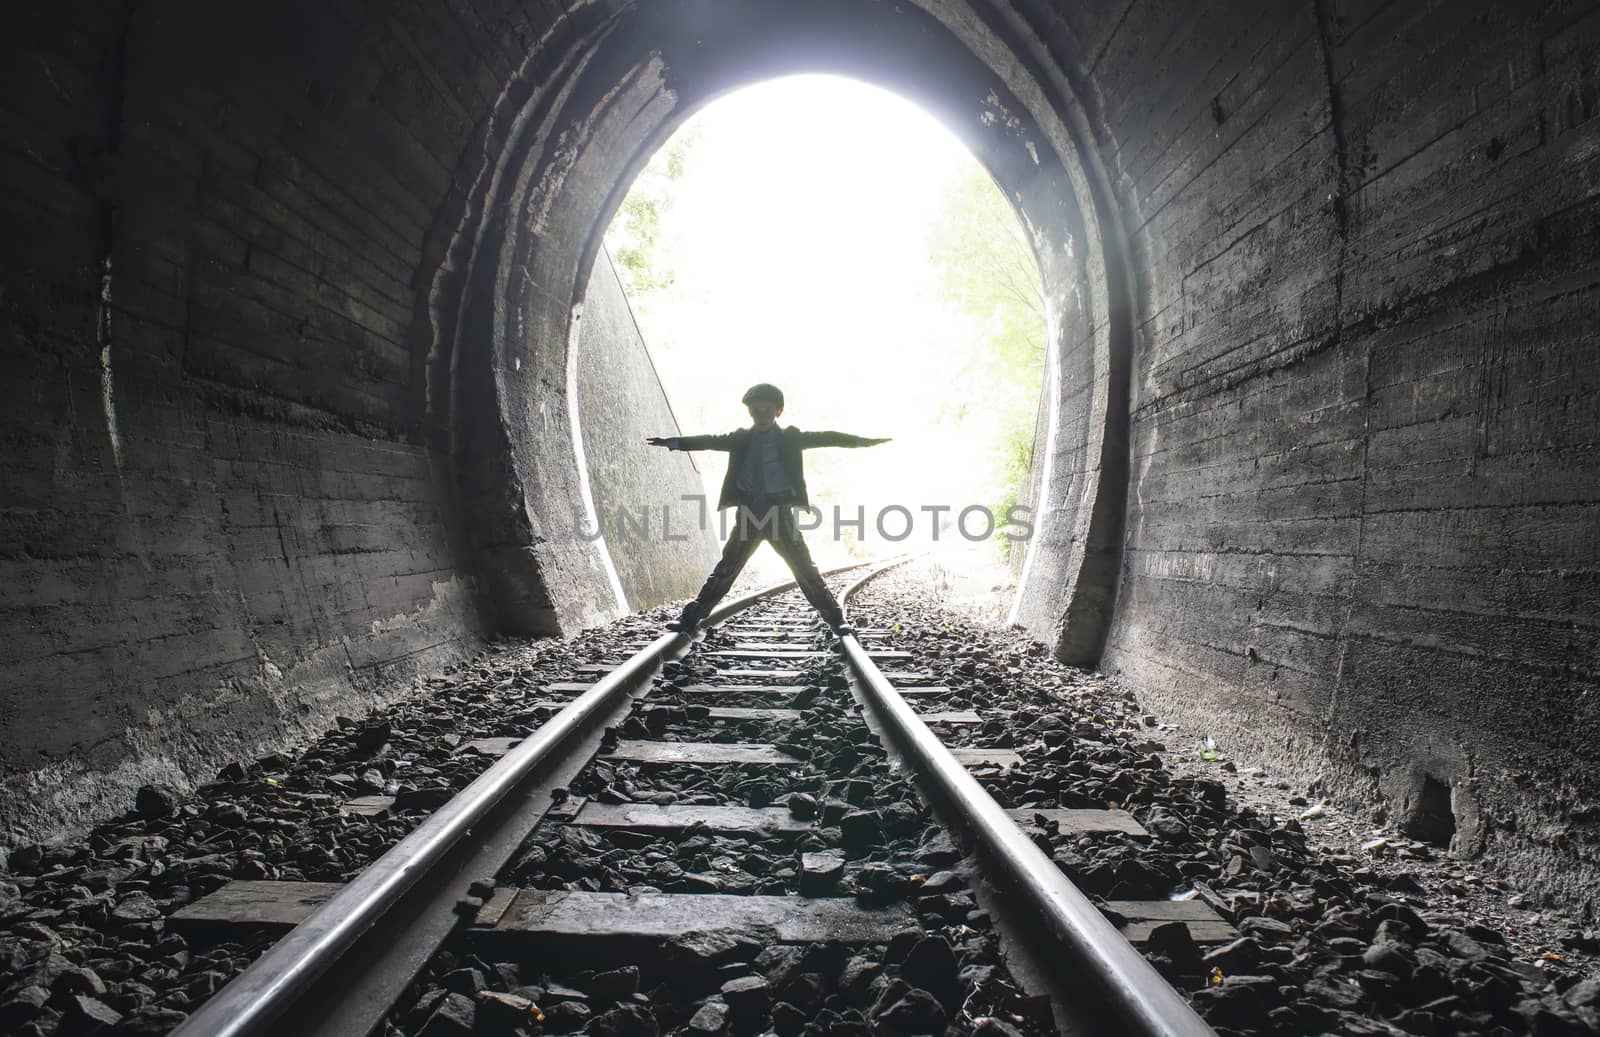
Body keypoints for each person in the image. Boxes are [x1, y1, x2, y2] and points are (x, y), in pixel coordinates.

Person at [646, 383, 890, 636]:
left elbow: (827, 437)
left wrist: (864, 442)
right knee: (727, 569)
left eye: (767, 410)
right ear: (750, 413)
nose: (762, 414)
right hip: (749, 514)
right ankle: (691, 618)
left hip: (778, 513)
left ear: (778, 411)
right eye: (756, 410)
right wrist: (672, 443)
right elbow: (709, 441)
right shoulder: (740, 438)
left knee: (804, 568)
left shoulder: (791, 438)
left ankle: (835, 618)